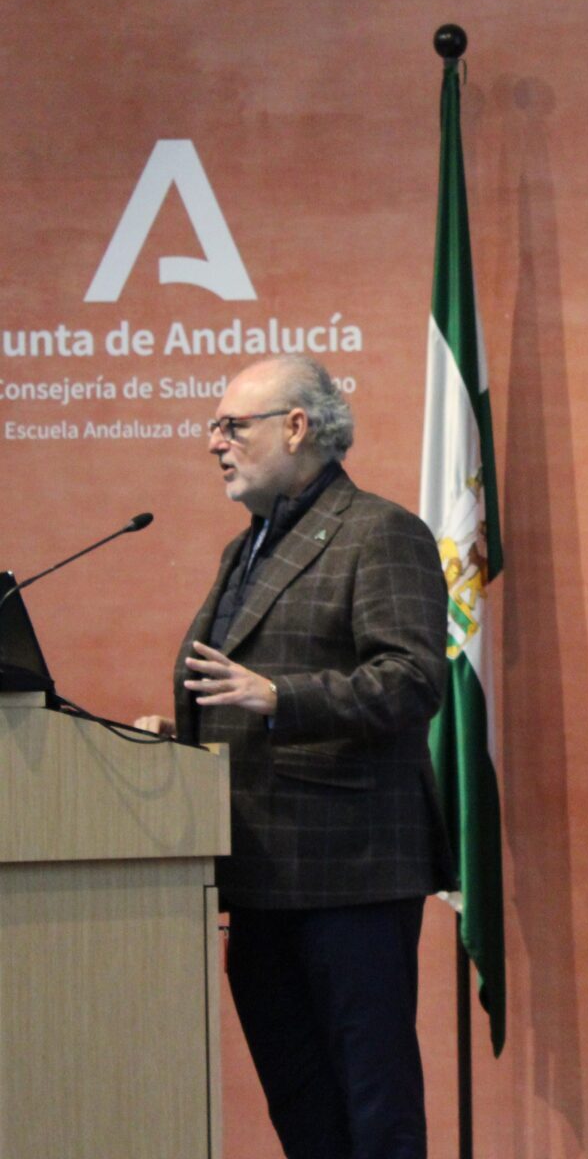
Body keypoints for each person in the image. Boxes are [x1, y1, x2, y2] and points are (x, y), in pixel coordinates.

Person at [137, 355, 453, 1159]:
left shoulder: (379, 532)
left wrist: (281, 696)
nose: (213, 442)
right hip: (259, 874)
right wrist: (186, 738)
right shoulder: (244, 549)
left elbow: (413, 679)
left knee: (373, 1108)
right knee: (303, 1107)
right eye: (214, 427)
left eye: (231, 426)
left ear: (297, 427)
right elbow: (238, 692)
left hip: (350, 873)